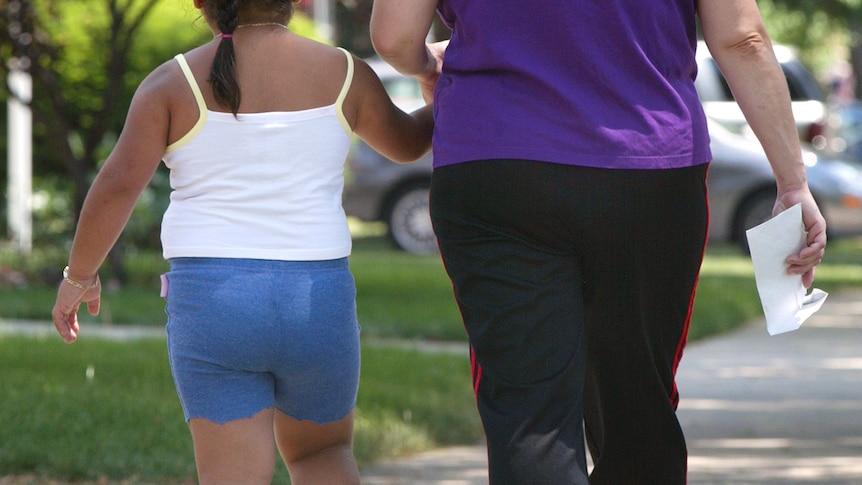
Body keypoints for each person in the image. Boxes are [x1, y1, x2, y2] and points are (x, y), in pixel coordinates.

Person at [369, 1, 827, 484]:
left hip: (497, 161)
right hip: (647, 166)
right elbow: (742, 39)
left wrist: (429, 66)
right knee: (636, 403)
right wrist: (792, 183)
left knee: (529, 412)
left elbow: (394, 38)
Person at [50, 0, 435, 483]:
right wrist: (439, 93)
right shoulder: (345, 74)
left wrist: (79, 276)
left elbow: (118, 186)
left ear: (199, 2)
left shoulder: (172, 83)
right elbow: (410, 144)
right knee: (323, 455)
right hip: (317, 302)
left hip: (214, 305)